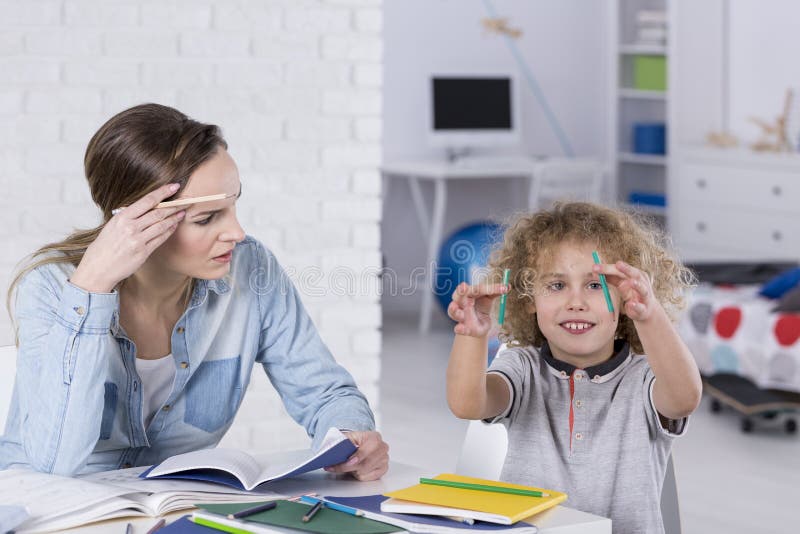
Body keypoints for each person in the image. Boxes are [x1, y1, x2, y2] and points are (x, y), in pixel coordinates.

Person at [0, 103, 389, 480]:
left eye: (234, 206)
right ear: (137, 221)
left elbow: (323, 390)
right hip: (55, 511)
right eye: (207, 218)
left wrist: (351, 436)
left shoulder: (250, 270)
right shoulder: (52, 288)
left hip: (171, 508)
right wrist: (91, 289)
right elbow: (55, 465)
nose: (236, 233)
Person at [445, 202, 702, 534]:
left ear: (625, 298)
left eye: (595, 285)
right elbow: (467, 404)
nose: (576, 302)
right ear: (529, 300)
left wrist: (650, 314)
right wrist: (473, 335)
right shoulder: (523, 367)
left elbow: (684, 398)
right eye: (556, 285)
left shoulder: (645, 377)